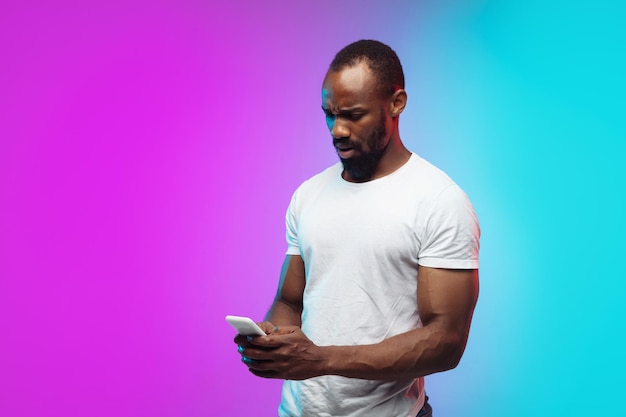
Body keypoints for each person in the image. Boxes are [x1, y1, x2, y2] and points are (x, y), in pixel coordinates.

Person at [234, 39, 480, 417]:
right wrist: (273, 343)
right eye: (330, 115)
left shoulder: (439, 201)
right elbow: (290, 301)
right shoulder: (309, 194)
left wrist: (321, 359)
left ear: (396, 103)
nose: (338, 130)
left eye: (353, 114)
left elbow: (446, 341)